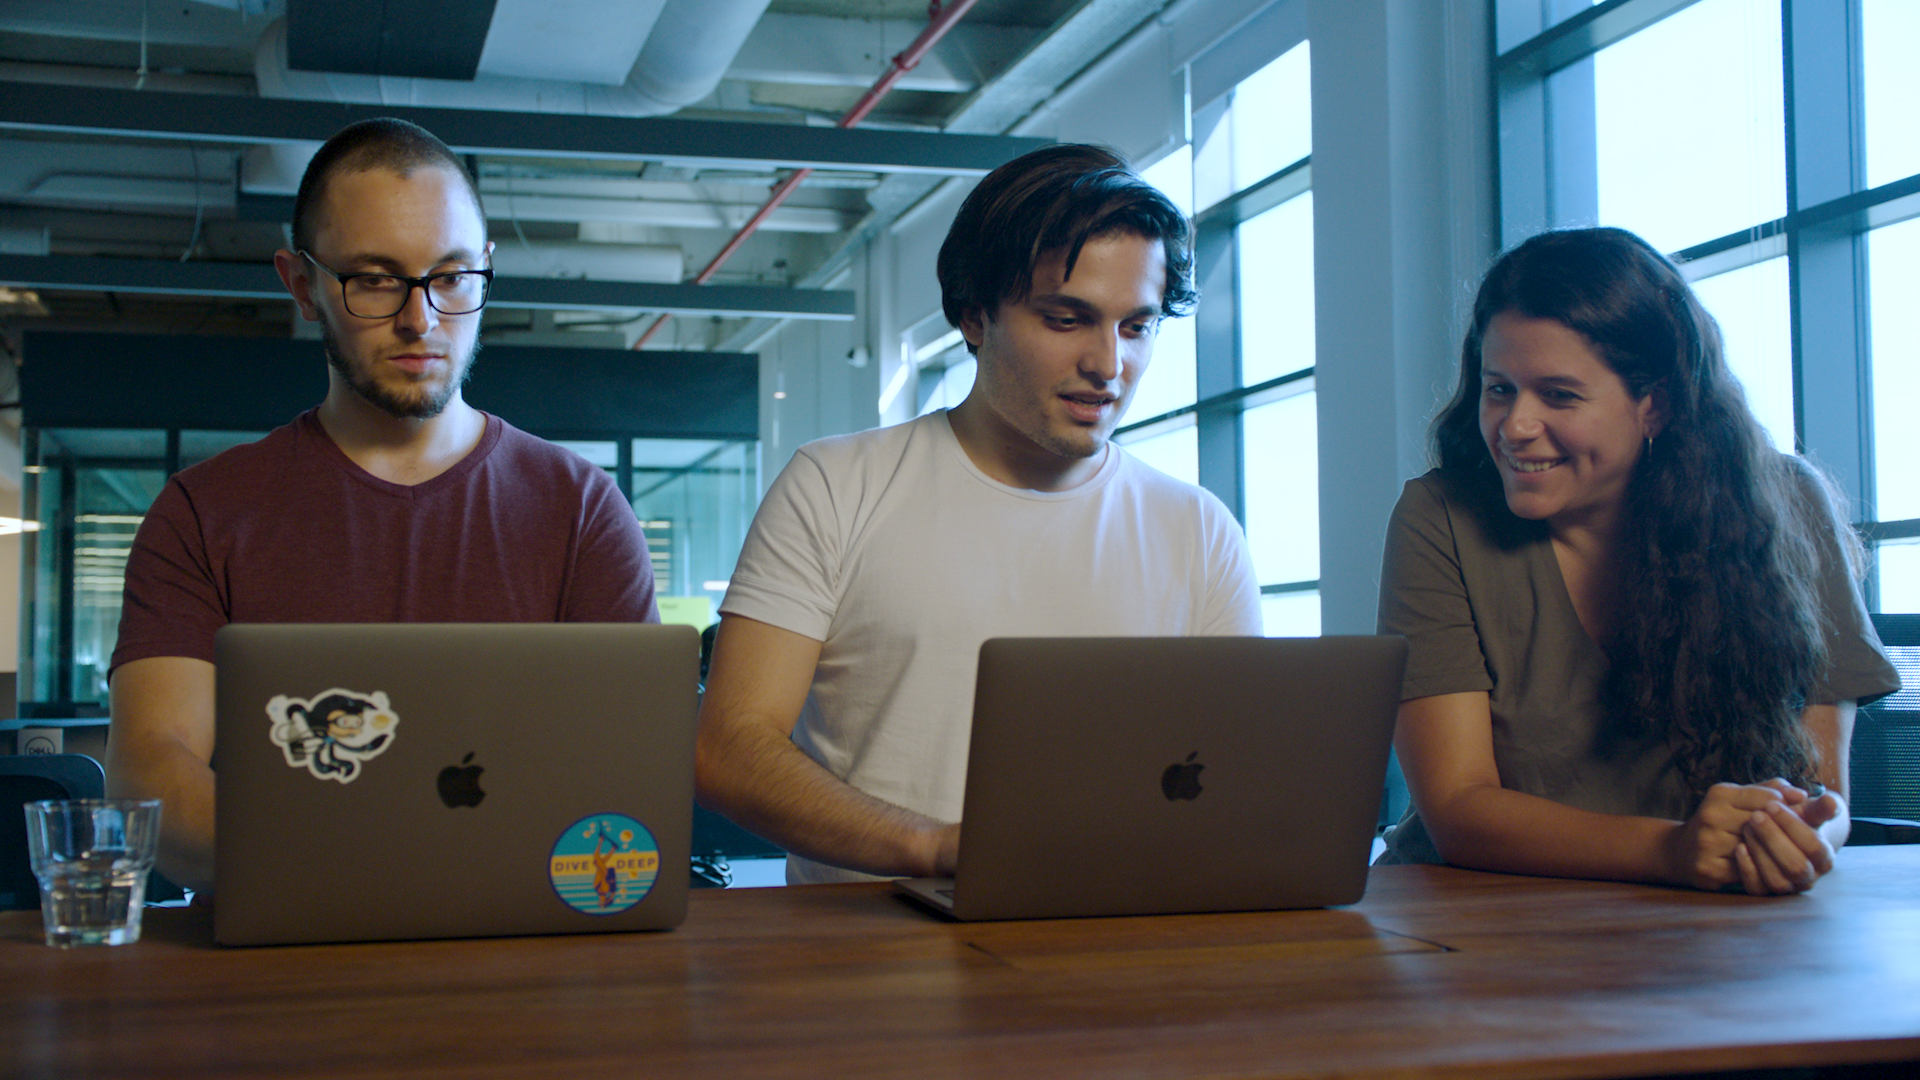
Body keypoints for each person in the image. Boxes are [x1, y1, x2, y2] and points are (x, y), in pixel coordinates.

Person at [105, 118, 659, 894]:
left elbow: (629, 775)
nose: (420, 318)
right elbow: (149, 778)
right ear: (302, 285)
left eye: (452, 276)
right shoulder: (203, 513)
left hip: (528, 953)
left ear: (485, 271)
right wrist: (390, 866)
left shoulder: (583, 510)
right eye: (374, 278)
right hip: (283, 969)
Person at [695, 144, 1263, 884]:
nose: (1108, 365)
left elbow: (1241, 775)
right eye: (1067, 319)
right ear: (974, 315)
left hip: (1116, 945)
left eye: (1136, 327)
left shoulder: (1200, 531)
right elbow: (729, 748)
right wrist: (935, 849)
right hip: (871, 958)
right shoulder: (834, 485)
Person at [1377, 226, 1899, 895]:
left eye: (1558, 395)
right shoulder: (1440, 518)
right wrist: (1672, 852)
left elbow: (1820, 795)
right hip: (1468, 919)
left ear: (1656, 405)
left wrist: (1800, 839)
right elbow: (1458, 809)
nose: (1514, 426)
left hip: (1705, 925)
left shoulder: (1787, 505)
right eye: (1499, 388)